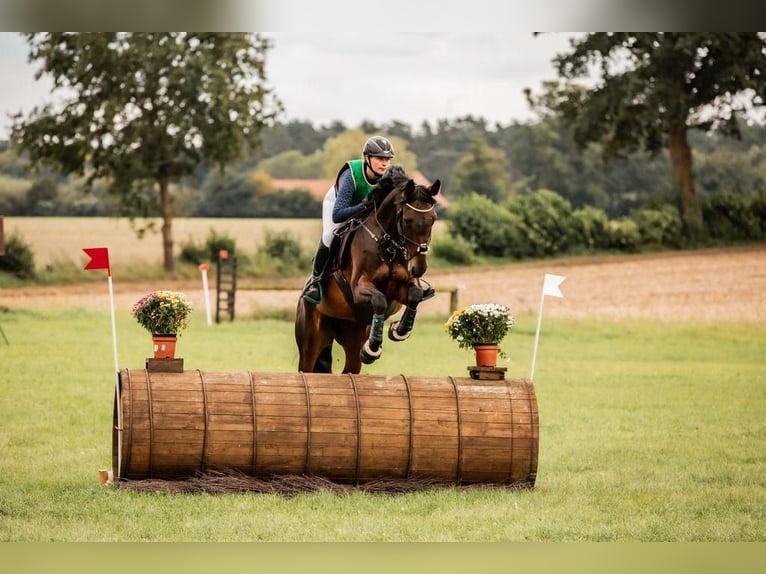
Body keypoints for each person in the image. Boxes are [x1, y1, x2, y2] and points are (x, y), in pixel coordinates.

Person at [302, 135, 395, 303]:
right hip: (338, 205)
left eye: (387, 159)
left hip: (364, 209)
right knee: (330, 235)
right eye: (380, 158)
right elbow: (338, 214)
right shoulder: (351, 175)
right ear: (367, 158)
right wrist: (366, 205)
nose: (385, 163)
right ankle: (315, 281)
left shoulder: (388, 179)